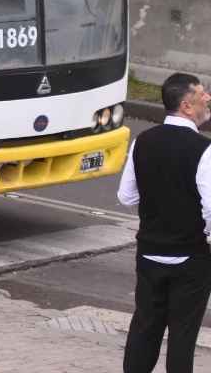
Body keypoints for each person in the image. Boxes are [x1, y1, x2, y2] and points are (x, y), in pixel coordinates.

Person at [118, 72, 211, 373]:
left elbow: (126, 197)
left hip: (149, 254)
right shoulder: (204, 149)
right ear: (186, 105)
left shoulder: (142, 140)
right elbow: (210, 208)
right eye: (201, 94)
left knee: (145, 327)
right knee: (182, 336)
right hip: (190, 258)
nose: (207, 98)